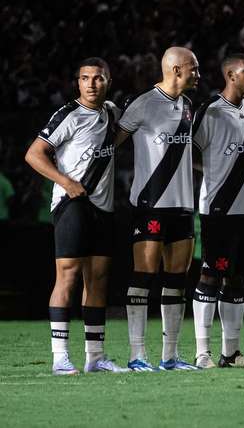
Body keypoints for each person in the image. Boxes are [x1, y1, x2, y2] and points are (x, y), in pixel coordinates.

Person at [25, 57, 128, 374]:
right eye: (85, 78)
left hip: (102, 207)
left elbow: (124, 133)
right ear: (78, 82)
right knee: (67, 276)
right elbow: (33, 154)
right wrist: (66, 182)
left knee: (97, 279)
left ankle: (95, 358)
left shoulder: (112, 112)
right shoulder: (68, 114)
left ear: (108, 80)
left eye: (98, 78)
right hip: (72, 204)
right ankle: (60, 358)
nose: (91, 84)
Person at [115, 46, 199, 371]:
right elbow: (113, 142)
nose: (198, 73)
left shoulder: (189, 106)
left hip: (182, 206)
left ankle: (170, 356)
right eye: (193, 67)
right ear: (176, 70)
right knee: (143, 276)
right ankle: (137, 355)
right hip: (150, 206)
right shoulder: (143, 104)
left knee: (177, 279)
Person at [191, 54, 244, 369]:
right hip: (218, 209)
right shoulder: (210, 111)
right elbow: (187, 151)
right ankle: (202, 351)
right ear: (231, 75)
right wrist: (213, 172)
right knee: (210, 276)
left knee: (238, 279)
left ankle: (230, 353)